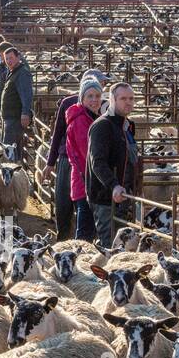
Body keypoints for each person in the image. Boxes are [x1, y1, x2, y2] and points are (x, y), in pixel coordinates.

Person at [44, 68, 105, 240]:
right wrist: (51, 161)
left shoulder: (103, 106)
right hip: (69, 159)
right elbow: (58, 133)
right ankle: (63, 236)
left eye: (100, 88)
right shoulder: (69, 104)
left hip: (86, 163)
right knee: (66, 200)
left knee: (83, 208)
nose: (95, 97)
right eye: (90, 93)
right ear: (82, 90)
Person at [86, 82, 137, 248]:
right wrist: (113, 185)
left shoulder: (126, 126)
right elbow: (97, 161)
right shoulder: (102, 126)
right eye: (123, 98)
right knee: (110, 246)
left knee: (123, 246)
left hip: (124, 197)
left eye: (131, 98)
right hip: (105, 199)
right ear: (112, 101)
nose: (128, 102)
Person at [65, 75, 105, 241]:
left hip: (90, 181)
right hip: (86, 181)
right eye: (90, 96)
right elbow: (87, 153)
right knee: (85, 231)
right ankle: (79, 262)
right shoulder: (81, 120)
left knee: (89, 229)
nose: (94, 100)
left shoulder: (92, 117)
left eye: (97, 96)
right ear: (82, 98)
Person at [0, 45, 33, 162]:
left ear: (18, 57)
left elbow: (26, 94)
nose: (9, 61)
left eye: (11, 58)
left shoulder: (22, 73)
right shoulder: (13, 72)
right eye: (6, 59)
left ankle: (13, 174)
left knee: (10, 149)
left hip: (15, 118)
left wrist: (25, 113)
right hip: (9, 117)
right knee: (10, 147)